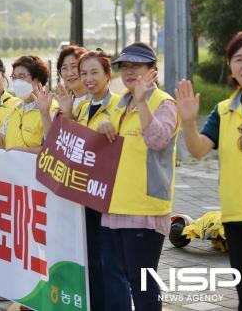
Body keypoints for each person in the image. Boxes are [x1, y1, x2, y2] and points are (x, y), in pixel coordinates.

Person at [175, 30, 242, 311]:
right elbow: (199, 150)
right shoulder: (223, 111)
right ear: (231, 67)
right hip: (236, 219)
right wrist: (188, 122)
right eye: (238, 59)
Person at [96, 42, 179, 311]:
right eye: (125, 67)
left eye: (137, 66)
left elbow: (157, 140)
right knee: (119, 275)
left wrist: (143, 103)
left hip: (145, 208)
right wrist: (103, 123)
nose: (129, 72)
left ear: (153, 70)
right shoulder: (121, 102)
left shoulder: (164, 103)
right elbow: (106, 138)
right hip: (115, 205)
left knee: (142, 283)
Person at [74, 49, 119, 311]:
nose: (89, 79)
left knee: (111, 263)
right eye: (84, 74)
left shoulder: (119, 105)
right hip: (82, 193)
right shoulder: (80, 107)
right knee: (90, 259)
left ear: (107, 75)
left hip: (107, 194)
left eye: (94, 73)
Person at [0, 55, 57, 153]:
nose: (16, 82)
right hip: (11, 168)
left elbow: (54, 150)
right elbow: (0, 145)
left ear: (37, 79)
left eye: (21, 77)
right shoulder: (15, 109)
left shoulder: (52, 109)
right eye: (14, 77)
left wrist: (23, 152)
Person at [55, 45, 89, 119]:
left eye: (74, 66)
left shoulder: (97, 100)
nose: (69, 73)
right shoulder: (64, 103)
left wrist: (69, 114)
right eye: (64, 68)